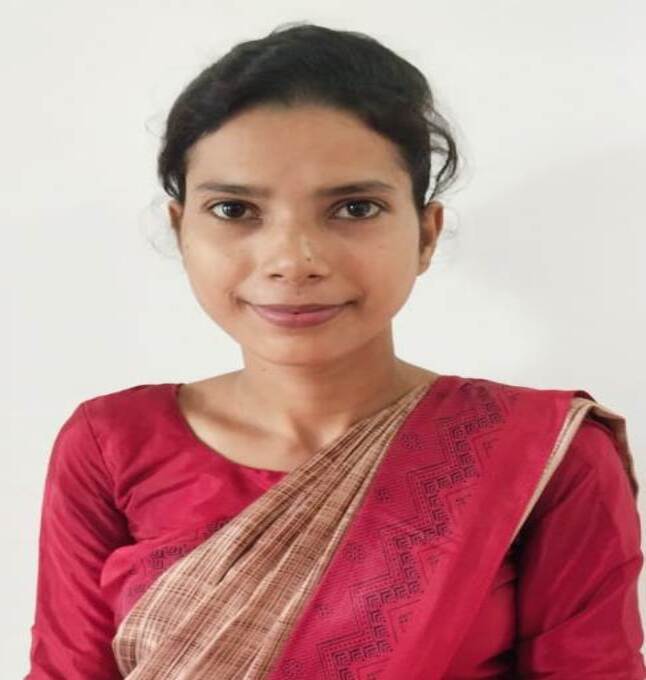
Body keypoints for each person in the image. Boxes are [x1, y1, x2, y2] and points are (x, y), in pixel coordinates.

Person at [25, 21, 645, 679]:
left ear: (426, 234)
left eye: (354, 208)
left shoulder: (538, 454)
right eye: (234, 210)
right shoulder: (112, 444)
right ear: (182, 231)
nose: (293, 260)